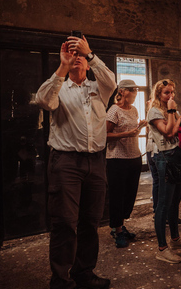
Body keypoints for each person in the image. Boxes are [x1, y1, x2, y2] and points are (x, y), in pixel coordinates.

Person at [36, 35, 116, 289]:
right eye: (73, 55)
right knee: (65, 224)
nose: (76, 58)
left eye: (79, 55)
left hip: (96, 162)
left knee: (90, 223)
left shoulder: (98, 88)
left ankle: (84, 273)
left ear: (88, 62)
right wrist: (62, 66)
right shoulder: (59, 88)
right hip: (66, 163)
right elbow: (43, 99)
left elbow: (111, 81)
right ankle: (61, 280)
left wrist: (90, 53)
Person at [147, 79, 181, 264]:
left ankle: (175, 239)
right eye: (167, 92)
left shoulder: (171, 109)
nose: (171, 96)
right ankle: (162, 248)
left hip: (177, 156)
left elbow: (178, 131)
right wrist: (174, 113)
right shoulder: (155, 111)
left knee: (175, 201)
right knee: (164, 204)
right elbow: (168, 132)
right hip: (164, 158)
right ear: (159, 94)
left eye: (172, 92)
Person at [106, 80, 146, 248]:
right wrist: (126, 133)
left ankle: (120, 226)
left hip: (134, 156)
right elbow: (105, 135)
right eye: (132, 90)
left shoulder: (134, 109)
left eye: (136, 90)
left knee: (130, 194)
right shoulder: (114, 110)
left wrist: (139, 127)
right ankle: (117, 230)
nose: (135, 93)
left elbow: (132, 131)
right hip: (117, 158)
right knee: (117, 195)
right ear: (122, 92)